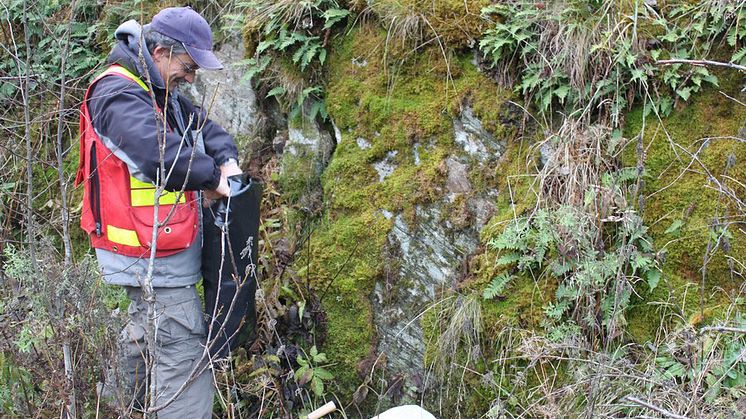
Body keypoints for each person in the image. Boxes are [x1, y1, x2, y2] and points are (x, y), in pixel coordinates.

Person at [74, 6, 241, 418]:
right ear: (162, 51)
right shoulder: (117, 94)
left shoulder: (156, 89)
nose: (191, 77)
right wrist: (211, 178)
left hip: (155, 245)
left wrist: (227, 160)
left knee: (146, 332)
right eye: (187, 66)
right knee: (183, 349)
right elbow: (158, 155)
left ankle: (115, 408)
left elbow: (203, 126)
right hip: (147, 250)